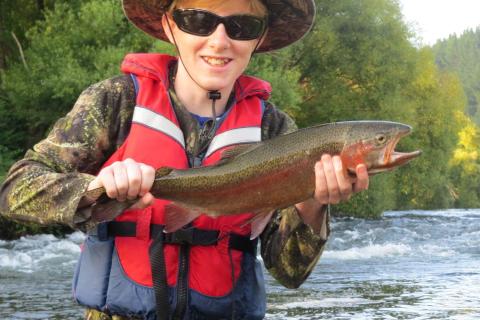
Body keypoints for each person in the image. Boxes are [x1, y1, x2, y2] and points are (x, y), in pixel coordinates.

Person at [0, 0, 369, 319]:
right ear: (169, 25)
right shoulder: (116, 102)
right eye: (198, 20)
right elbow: (14, 189)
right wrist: (93, 188)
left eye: (242, 26)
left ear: (259, 38)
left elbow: (289, 271)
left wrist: (312, 203)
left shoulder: (275, 129)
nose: (219, 40)